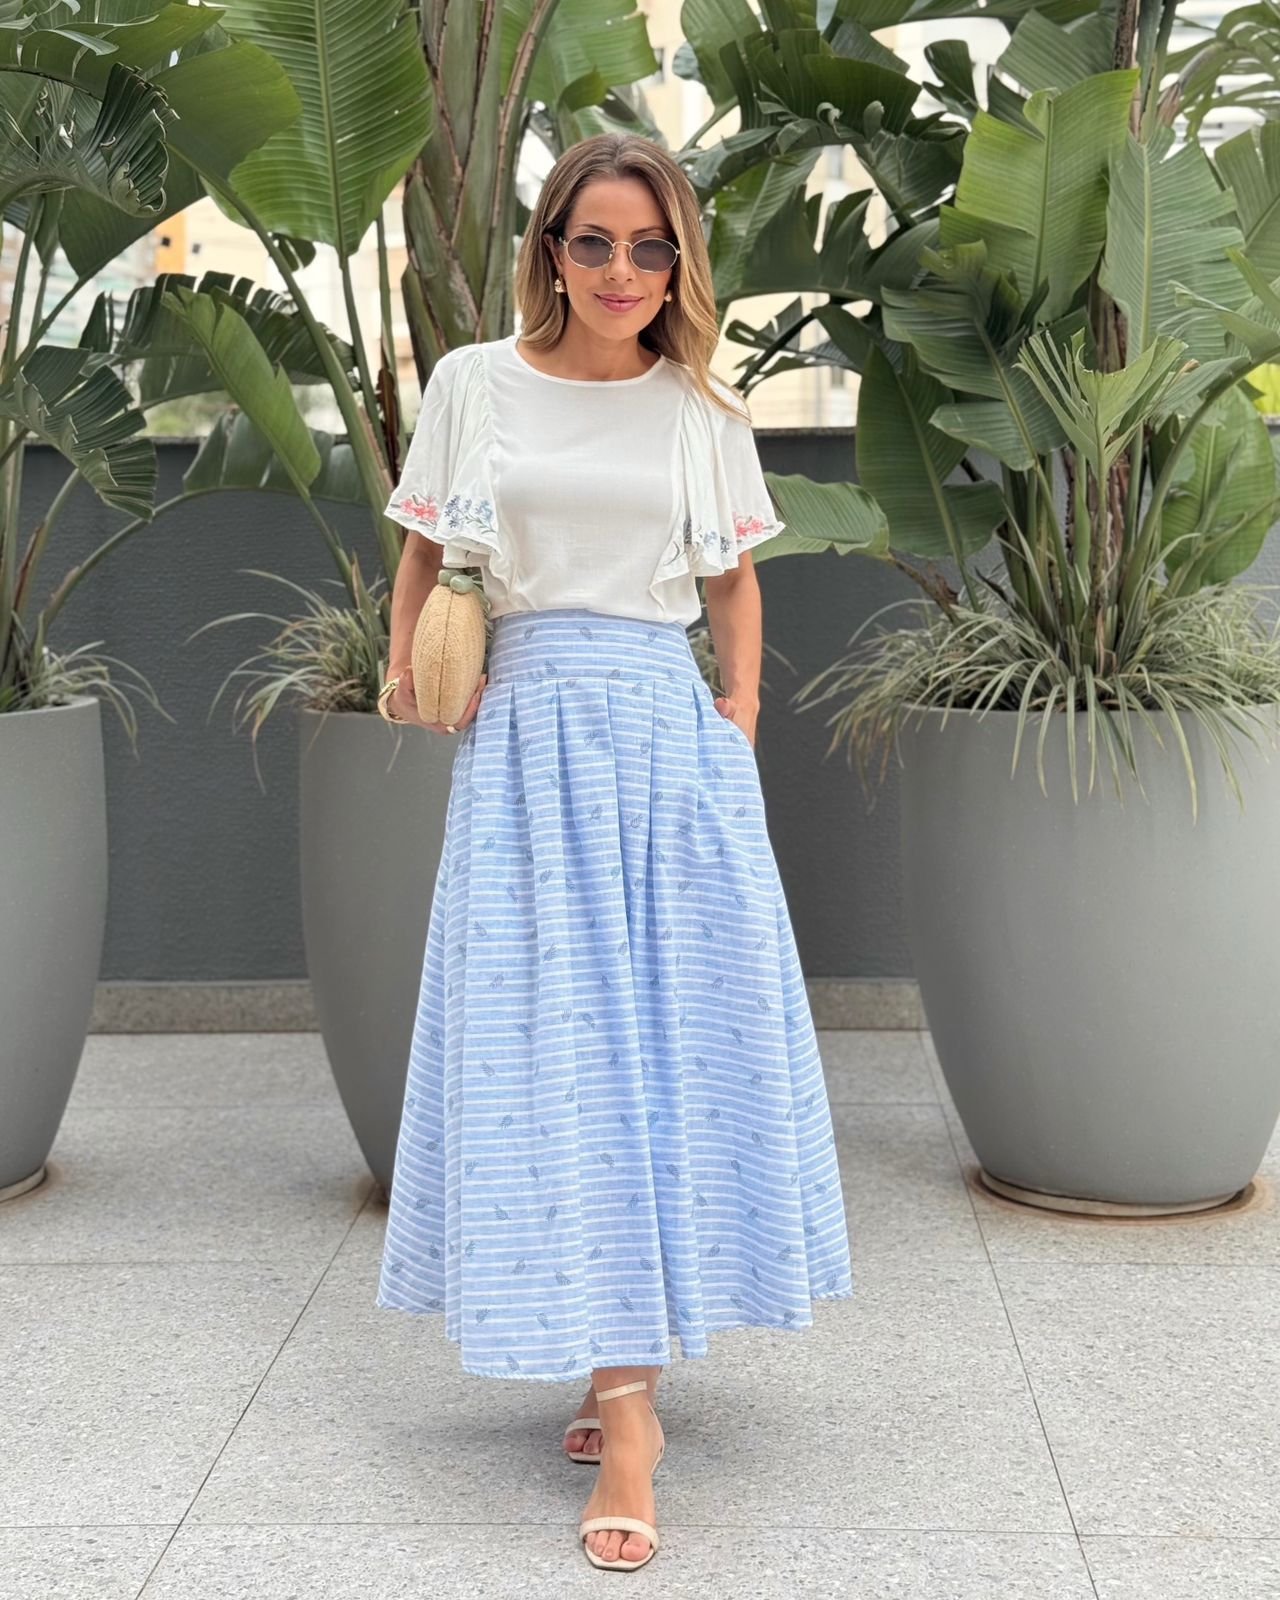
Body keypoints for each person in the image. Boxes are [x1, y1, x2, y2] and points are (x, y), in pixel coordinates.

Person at [374, 130, 854, 1573]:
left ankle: (628, 1410)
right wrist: (408, 670)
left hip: (662, 744)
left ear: (679, 261)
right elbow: (423, 548)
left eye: (652, 247)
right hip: (525, 745)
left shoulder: (700, 406)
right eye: (595, 241)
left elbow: (733, 580)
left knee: (656, 1054)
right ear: (552, 251)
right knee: (554, 1058)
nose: (624, 271)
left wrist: (738, 721)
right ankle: (616, 1367)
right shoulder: (475, 385)